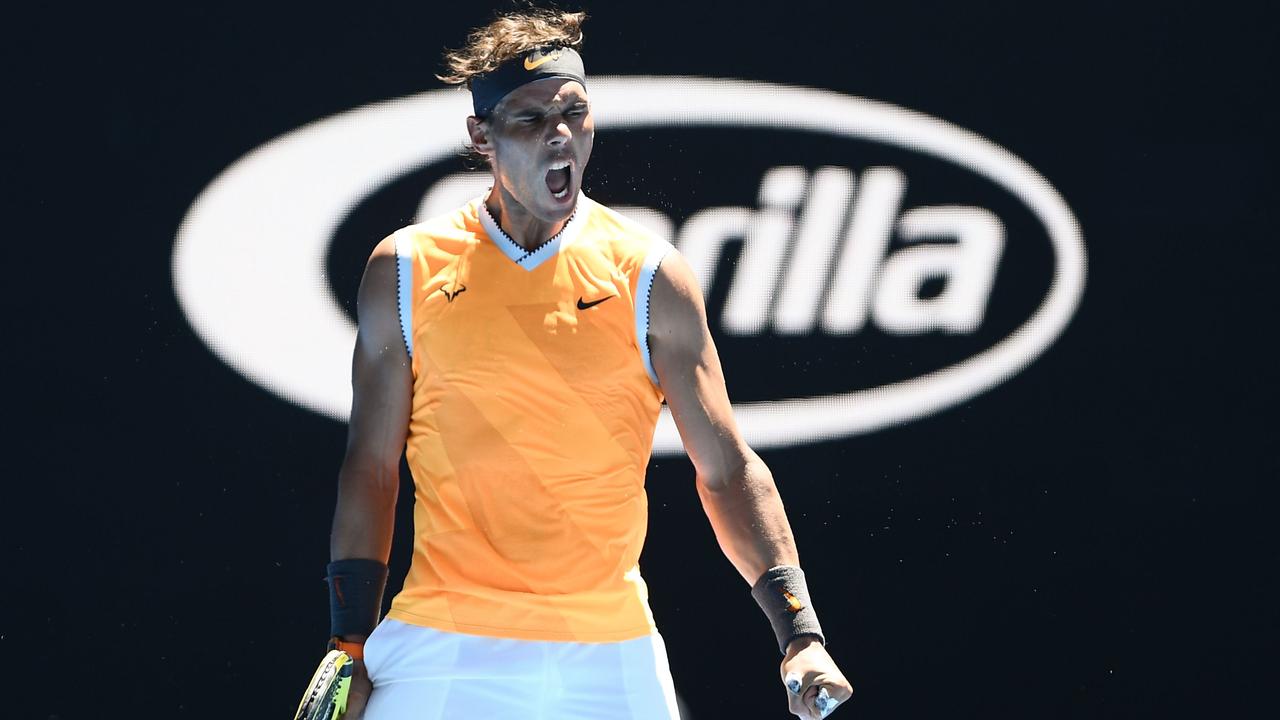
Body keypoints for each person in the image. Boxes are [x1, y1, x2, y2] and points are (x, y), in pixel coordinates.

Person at [324, 8, 853, 719]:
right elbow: (372, 468)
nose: (560, 136)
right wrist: (348, 646)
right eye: (531, 119)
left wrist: (800, 634)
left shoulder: (650, 278)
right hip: (443, 646)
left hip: (609, 655)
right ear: (481, 135)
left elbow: (726, 469)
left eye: (574, 112)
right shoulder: (405, 269)